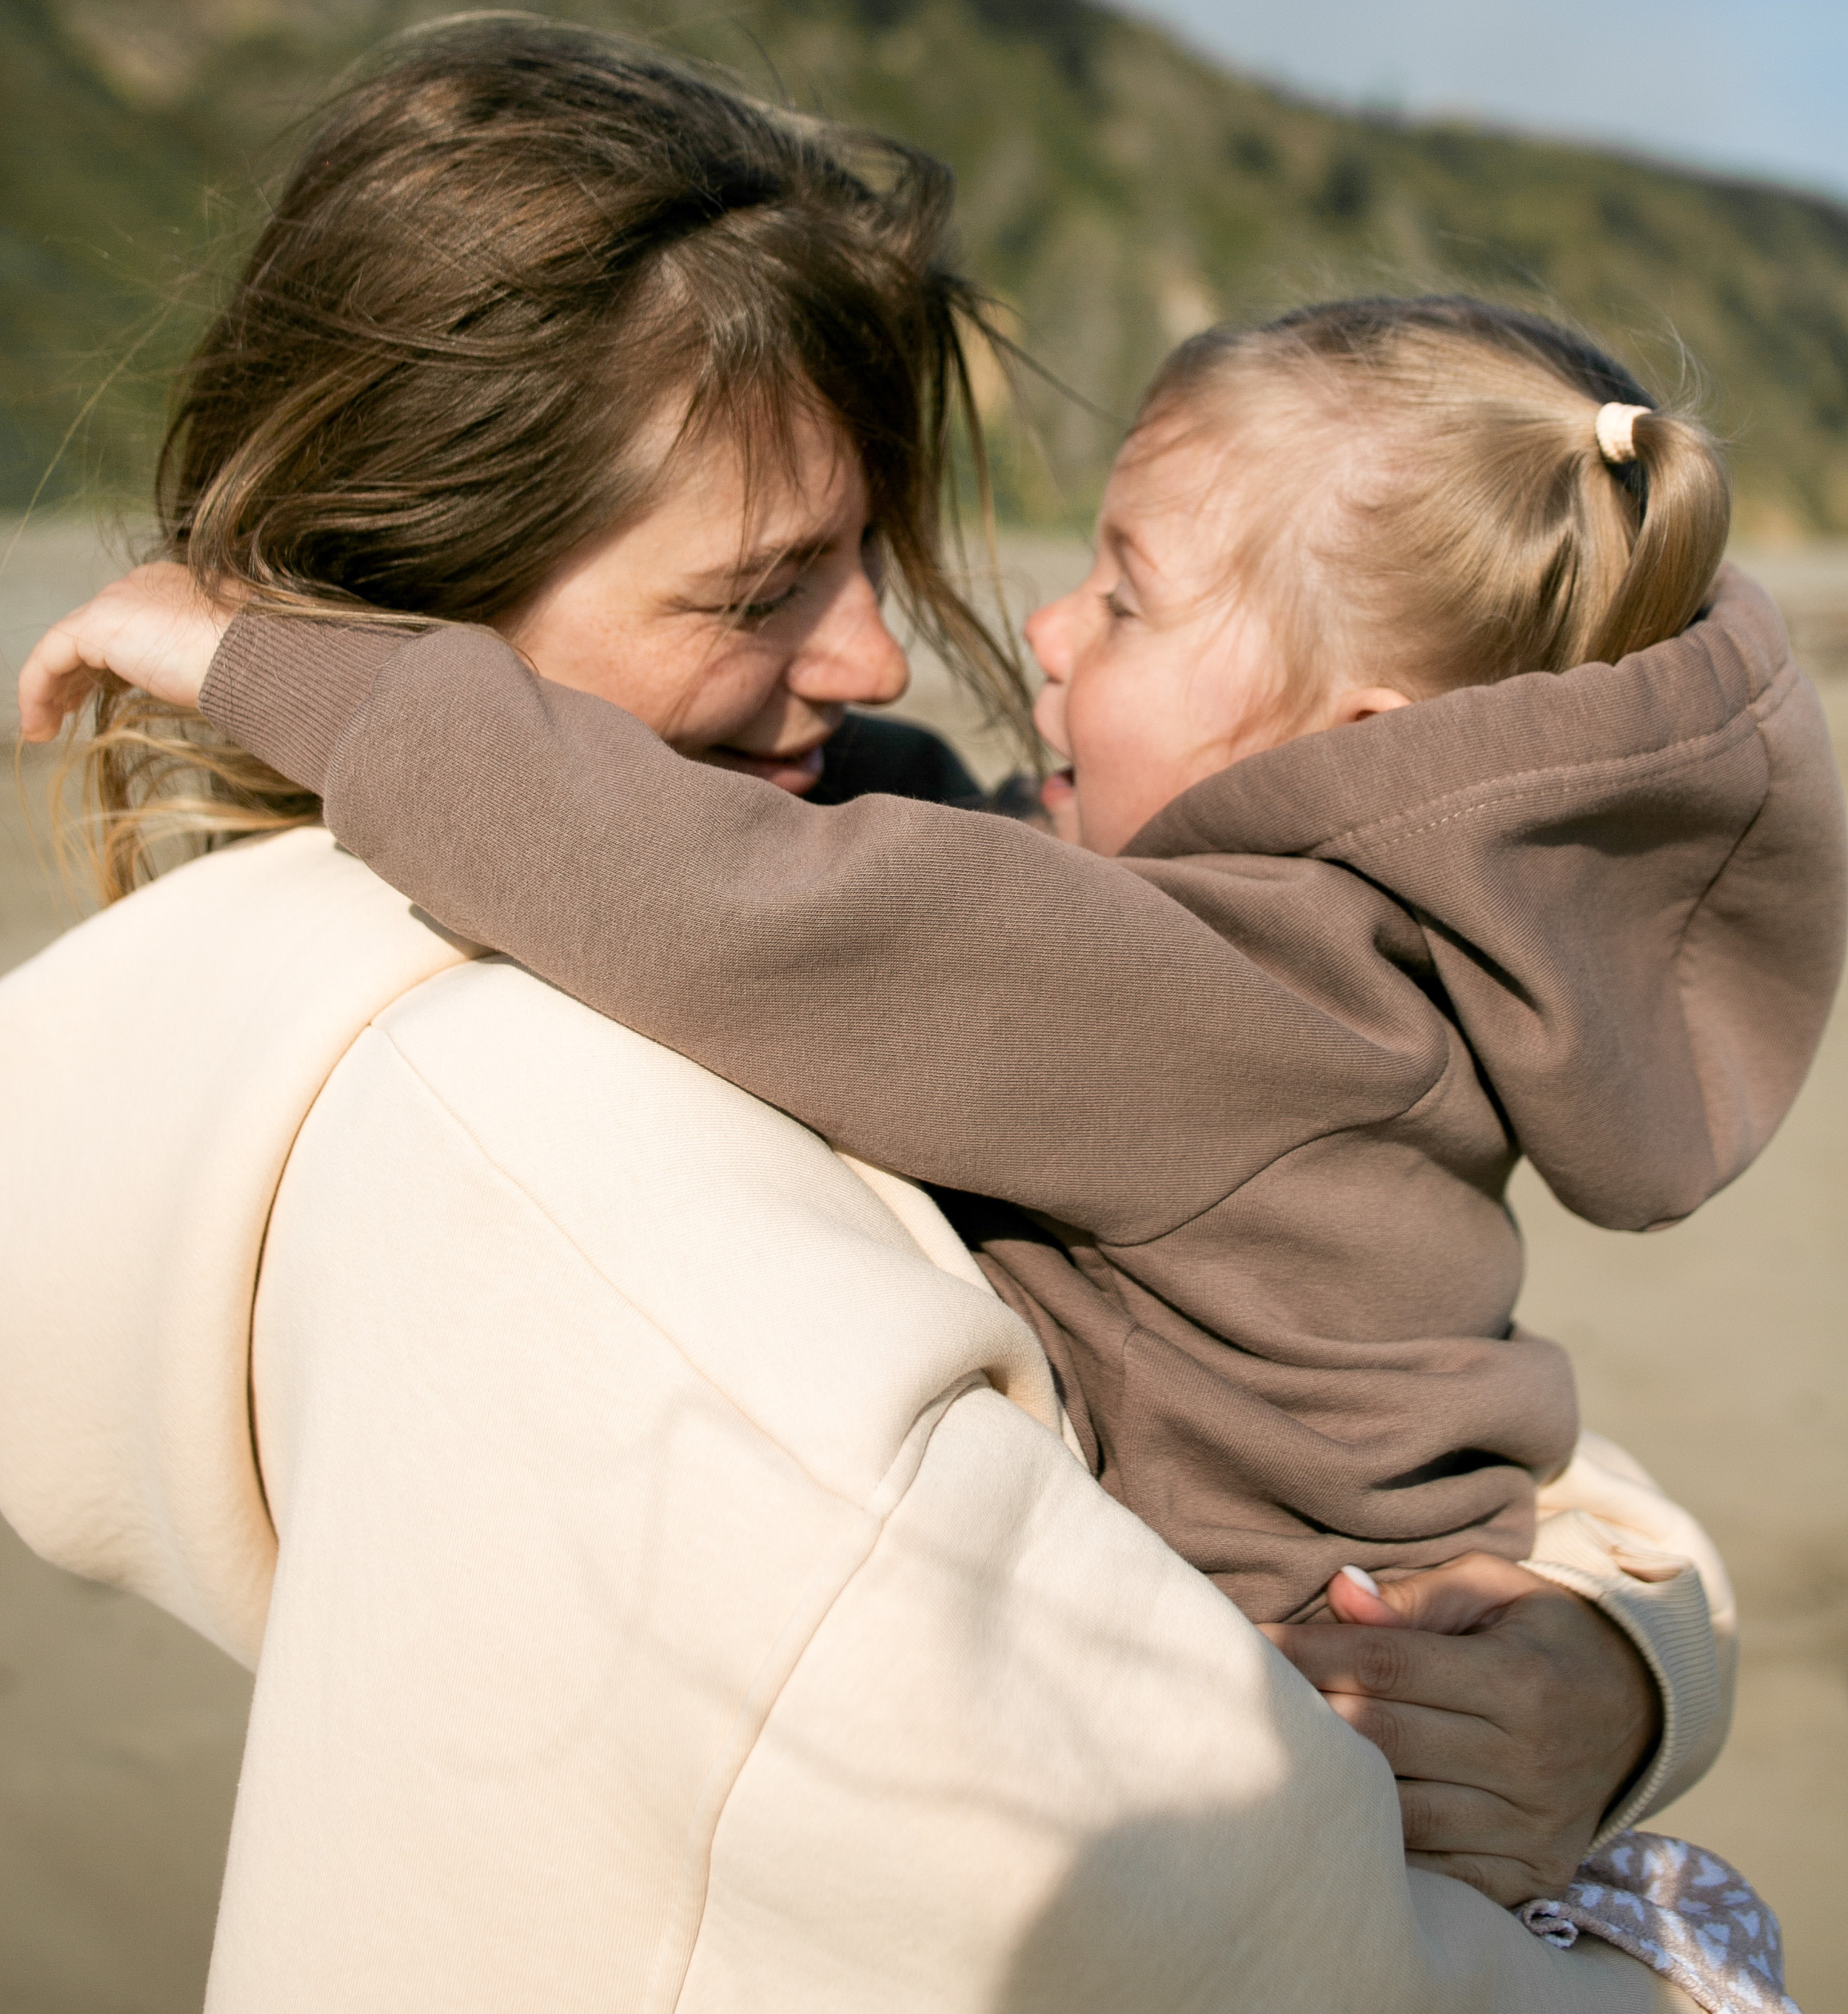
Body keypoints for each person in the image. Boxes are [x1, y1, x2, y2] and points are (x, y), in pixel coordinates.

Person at [6, 16, 1808, 2014]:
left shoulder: (1194, 987)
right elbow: (766, 899)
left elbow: (820, 893)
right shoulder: (538, 1146)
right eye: (762, 590)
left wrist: (1619, 1665)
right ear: (440, 603)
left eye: (1114, 595)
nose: (894, 654)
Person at [53, 301, 1842, 1642]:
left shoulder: (1221, 999)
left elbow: (748, 903)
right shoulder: (1371, 972)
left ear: (1355, 741)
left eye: (1125, 603)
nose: (1043, 631)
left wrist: (266, 663)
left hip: (1260, 1719)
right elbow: (954, 864)